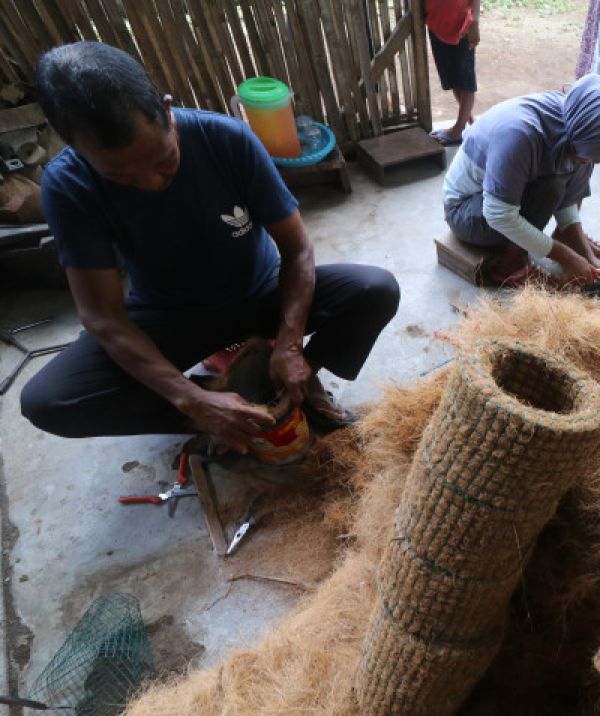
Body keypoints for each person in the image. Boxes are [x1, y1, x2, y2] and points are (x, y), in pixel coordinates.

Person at [20, 42, 400, 454]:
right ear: (77, 150)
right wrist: (190, 398)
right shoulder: (68, 186)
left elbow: (298, 251)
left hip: (261, 293)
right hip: (170, 316)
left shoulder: (226, 139)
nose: (151, 182)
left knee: (375, 289)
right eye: (121, 176)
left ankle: (299, 382)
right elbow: (103, 316)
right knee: (51, 402)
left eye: (164, 160)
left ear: (167, 110)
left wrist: (291, 345)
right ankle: (222, 411)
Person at [442, 74, 600, 290]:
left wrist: (588, 258)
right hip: (465, 210)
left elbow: (568, 199)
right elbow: (498, 215)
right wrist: (568, 258)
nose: (597, 161)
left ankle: (566, 241)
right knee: (549, 188)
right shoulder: (519, 135)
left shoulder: (578, 126)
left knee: (567, 174)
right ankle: (510, 267)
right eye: (597, 153)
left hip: (499, 200)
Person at [425, 0, 481, 146]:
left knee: (466, 79)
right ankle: (469, 122)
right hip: (436, 23)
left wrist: (474, 20)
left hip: (463, 24)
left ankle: (458, 130)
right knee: (453, 79)